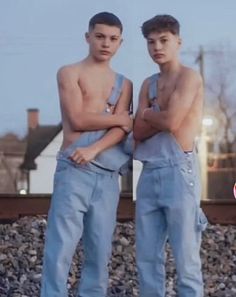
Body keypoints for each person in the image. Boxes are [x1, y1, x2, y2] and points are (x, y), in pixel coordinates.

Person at [40, 12, 132, 297]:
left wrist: (93, 148)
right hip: (74, 170)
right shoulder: (70, 72)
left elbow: (123, 132)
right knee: (60, 247)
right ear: (88, 37)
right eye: (100, 36)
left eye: (113, 39)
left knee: (100, 249)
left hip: (106, 174)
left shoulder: (125, 84)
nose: (106, 43)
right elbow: (77, 119)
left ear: (120, 42)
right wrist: (119, 119)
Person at [134, 14, 208, 297]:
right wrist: (156, 116)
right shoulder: (147, 84)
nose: (157, 47)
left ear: (178, 41)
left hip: (179, 170)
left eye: (163, 40)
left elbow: (172, 122)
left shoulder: (189, 77)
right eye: (151, 42)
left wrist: (150, 113)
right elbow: (137, 131)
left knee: (186, 258)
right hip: (149, 171)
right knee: (147, 259)